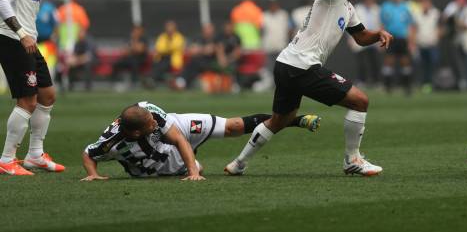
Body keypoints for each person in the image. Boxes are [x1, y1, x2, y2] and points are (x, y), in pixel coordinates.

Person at [224, 0, 393, 177]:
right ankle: (352, 160)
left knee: (279, 120)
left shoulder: (348, 8)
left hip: (286, 64)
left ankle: (238, 163)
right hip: (303, 66)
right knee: (360, 101)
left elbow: (361, 37)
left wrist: (378, 33)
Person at [81, 101, 321, 181]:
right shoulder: (112, 142)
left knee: (233, 126)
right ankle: (189, 166)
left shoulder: (150, 113)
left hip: (175, 126)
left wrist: (193, 172)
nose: (153, 122)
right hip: (155, 158)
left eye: (152, 120)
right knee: (193, 164)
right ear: (135, 133)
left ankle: (294, 120)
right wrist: (93, 173)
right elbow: (89, 152)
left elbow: (178, 138)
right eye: (149, 125)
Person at [0, 0, 66, 176]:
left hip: (28, 41)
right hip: (12, 40)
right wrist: (21, 33)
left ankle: (35, 155)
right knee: (27, 101)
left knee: (47, 95)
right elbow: (2, 0)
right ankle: (6, 159)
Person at [380, 0, 415, 93]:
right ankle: (388, 86)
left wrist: (411, 42)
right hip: (390, 38)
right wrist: (381, 39)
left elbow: (411, 26)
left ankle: (407, 86)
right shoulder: (385, 7)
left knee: (405, 62)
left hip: (402, 39)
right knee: (388, 62)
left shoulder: (406, 7)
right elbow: (382, 25)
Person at [172, 22, 218, 90]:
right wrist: (204, 49)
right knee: (192, 64)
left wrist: (199, 49)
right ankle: (182, 82)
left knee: (194, 64)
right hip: (198, 61)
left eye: (209, 29)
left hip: (210, 62)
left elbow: (211, 51)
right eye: (206, 29)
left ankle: (181, 82)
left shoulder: (216, 39)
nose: (208, 31)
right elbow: (192, 51)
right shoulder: (198, 38)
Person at [146, 20, 185, 87]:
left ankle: (152, 79)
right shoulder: (162, 36)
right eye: (168, 27)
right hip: (161, 58)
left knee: (163, 64)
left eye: (171, 27)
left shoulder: (179, 37)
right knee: (157, 64)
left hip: (173, 59)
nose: (169, 29)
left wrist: (166, 48)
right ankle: (152, 79)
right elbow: (159, 48)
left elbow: (176, 46)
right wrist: (167, 48)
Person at [110, 24, 149, 89]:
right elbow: (124, 51)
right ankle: (114, 83)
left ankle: (134, 83)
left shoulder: (143, 39)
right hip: (128, 58)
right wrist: (131, 48)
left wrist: (132, 46)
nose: (136, 32)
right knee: (116, 64)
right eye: (135, 30)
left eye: (138, 30)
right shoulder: (129, 38)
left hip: (139, 59)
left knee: (134, 64)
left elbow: (139, 50)